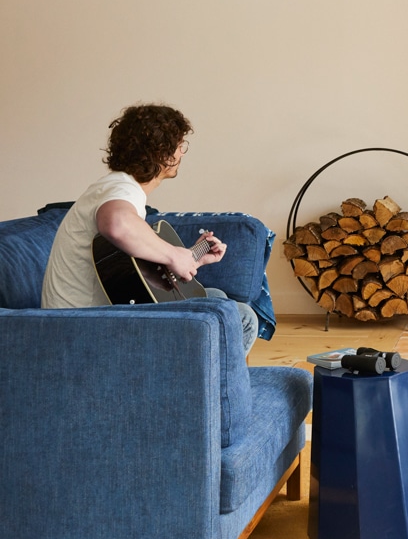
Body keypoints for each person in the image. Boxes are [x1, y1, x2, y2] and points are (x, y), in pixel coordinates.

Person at [41, 103, 258, 352]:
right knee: (241, 317)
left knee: (215, 297)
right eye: (180, 146)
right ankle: (212, 389)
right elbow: (116, 224)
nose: (182, 153)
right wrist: (175, 254)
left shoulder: (112, 188)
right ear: (163, 155)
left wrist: (191, 258)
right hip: (87, 329)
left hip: (87, 317)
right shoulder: (122, 190)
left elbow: (127, 274)